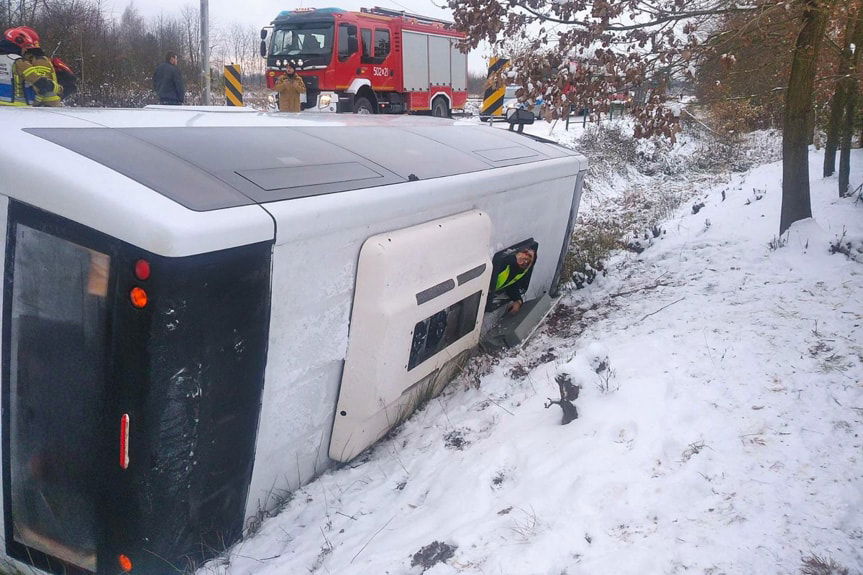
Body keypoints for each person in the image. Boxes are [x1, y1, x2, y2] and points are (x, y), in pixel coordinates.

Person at [6, 26, 61, 107]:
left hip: (46, 107)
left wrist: (36, 102)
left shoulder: (39, 60)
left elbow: (43, 86)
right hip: (31, 107)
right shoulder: (19, 60)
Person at [487, 242, 538, 315]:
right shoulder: (505, 263)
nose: (525, 258)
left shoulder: (519, 273)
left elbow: (512, 286)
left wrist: (518, 300)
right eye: (524, 253)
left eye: (529, 257)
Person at [0, 29, 30, 106]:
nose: (26, 49)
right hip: (16, 106)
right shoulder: (18, 61)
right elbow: (38, 80)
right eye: (24, 46)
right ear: (17, 45)